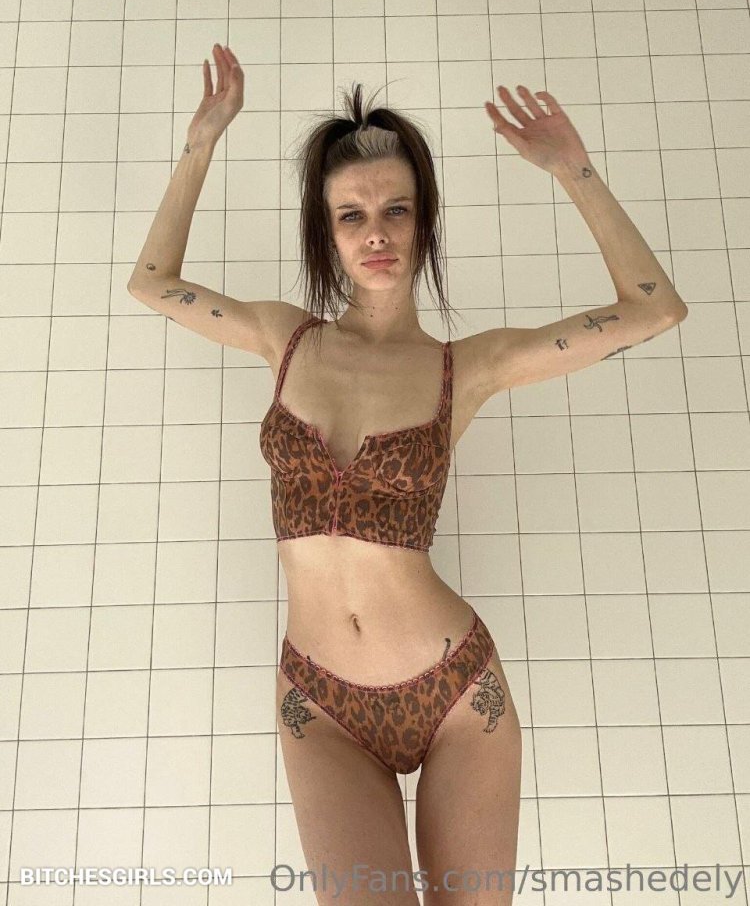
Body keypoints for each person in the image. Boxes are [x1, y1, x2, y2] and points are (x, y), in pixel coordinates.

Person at [127, 44, 688, 905]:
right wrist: (202, 141)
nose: (377, 233)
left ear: (424, 222)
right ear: (327, 232)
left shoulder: (470, 367)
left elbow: (654, 309)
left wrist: (572, 168)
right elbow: (152, 284)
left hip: (456, 695)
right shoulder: (286, 340)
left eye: (397, 208)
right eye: (351, 215)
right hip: (320, 703)